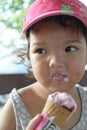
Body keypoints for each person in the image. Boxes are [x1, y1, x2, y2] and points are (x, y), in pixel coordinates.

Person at [0, 0, 87, 130]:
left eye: (70, 49)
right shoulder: (15, 108)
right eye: (41, 51)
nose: (55, 62)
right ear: (29, 55)